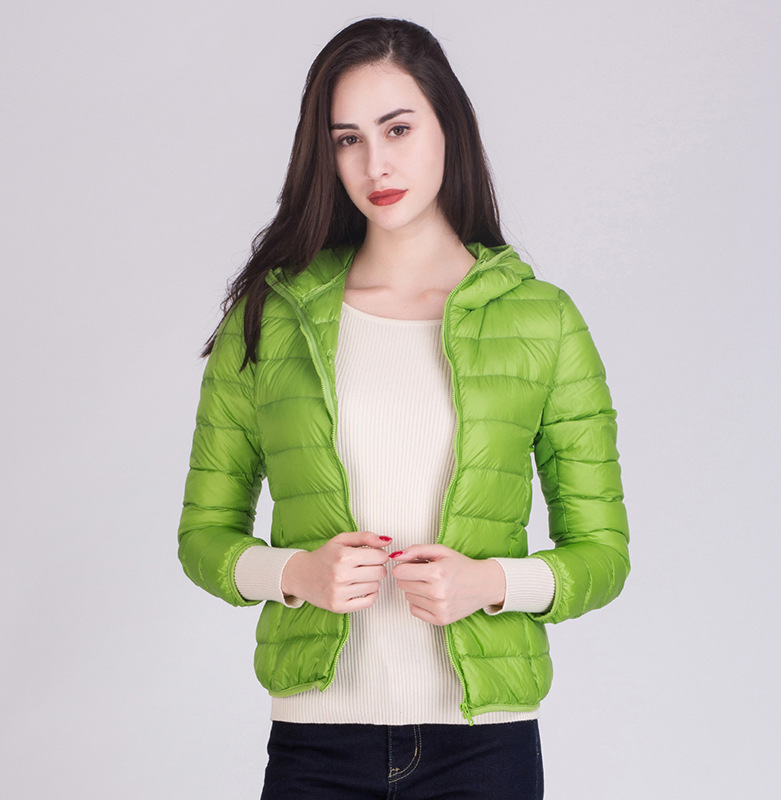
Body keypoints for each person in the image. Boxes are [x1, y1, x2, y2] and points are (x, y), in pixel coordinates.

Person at [177, 16, 629, 800]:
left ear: (449, 126)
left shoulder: (544, 321)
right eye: (347, 139)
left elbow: (603, 555)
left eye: (397, 128)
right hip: (317, 742)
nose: (374, 164)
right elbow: (202, 537)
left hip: (484, 748)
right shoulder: (272, 317)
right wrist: (295, 573)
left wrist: (491, 583)